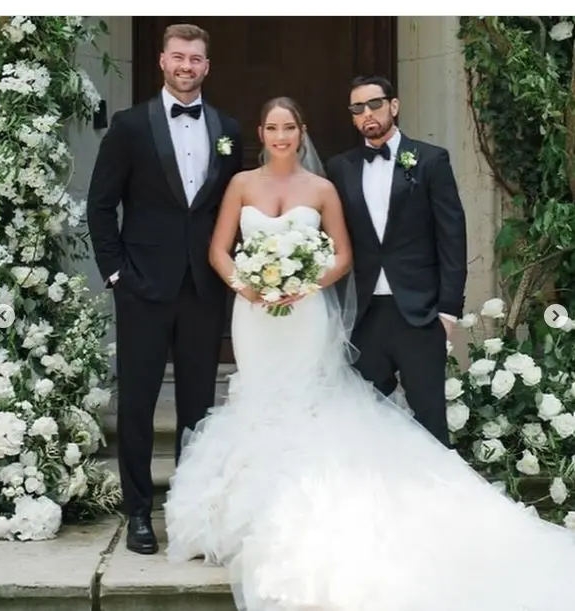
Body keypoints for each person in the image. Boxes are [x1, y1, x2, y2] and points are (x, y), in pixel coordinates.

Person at [164, 96, 575, 611]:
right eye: (271, 127)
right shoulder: (241, 184)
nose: (280, 136)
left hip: (304, 314)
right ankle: (240, 508)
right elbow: (218, 250)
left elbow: (342, 254)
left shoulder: (322, 187)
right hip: (254, 317)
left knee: (306, 403)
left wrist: (306, 281)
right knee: (259, 400)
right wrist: (246, 285)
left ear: (301, 131)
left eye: (289, 127)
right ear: (261, 133)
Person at [87, 23, 243, 555]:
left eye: (195, 59)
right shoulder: (130, 126)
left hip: (203, 289)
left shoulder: (227, 129)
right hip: (142, 288)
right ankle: (138, 513)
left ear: (207, 66)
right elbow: (100, 205)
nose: (186, 66)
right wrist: (116, 274)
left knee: (198, 407)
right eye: (178, 57)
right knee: (138, 403)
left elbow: (229, 209)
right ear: (162, 61)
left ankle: (188, 510)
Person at [326, 74, 467, 447]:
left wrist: (448, 312)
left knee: (430, 424)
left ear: (394, 105)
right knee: (366, 427)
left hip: (420, 313)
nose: (367, 114)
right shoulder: (339, 168)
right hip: (364, 314)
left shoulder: (431, 160)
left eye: (374, 104)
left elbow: (452, 237)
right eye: (358, 108)